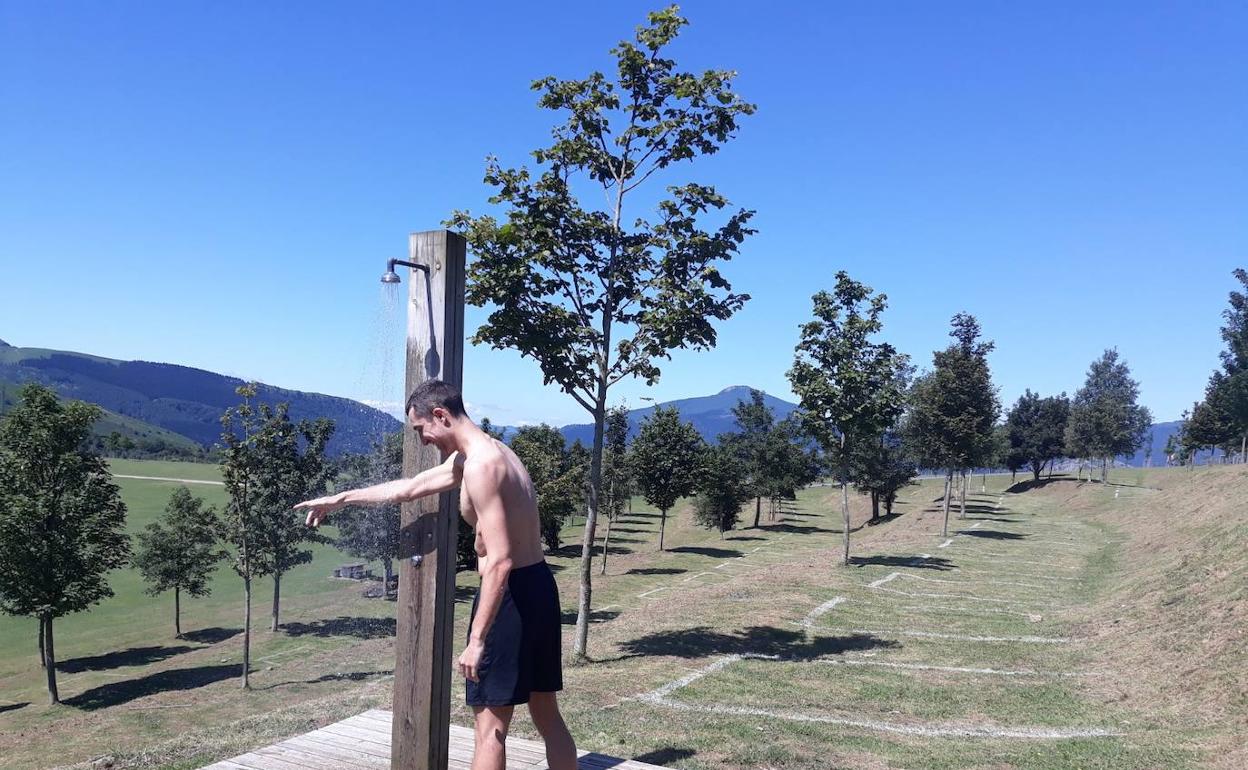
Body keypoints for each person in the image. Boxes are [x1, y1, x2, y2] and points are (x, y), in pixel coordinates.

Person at [294, 380, 577, 770]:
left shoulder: (481, 467)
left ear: (440, 416)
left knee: (490, 727)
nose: (423, 440)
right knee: (546, 713)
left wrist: (477, 640)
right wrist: (339, 499)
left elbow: (499, 561)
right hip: (539, 587)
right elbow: (409, 488)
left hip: (509, 596)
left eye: (420, 430)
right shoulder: (490, 455)